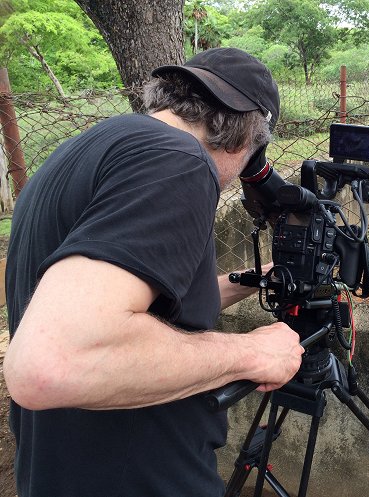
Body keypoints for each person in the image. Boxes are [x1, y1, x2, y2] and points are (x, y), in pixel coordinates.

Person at [3, 47, 304, 497]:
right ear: (248, 139)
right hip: (136, 477)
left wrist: (255, 276)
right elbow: (50, 365)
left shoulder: (83, 151)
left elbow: (139, 305)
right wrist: (251, 353)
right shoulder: (178, 160)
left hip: (59, 467)